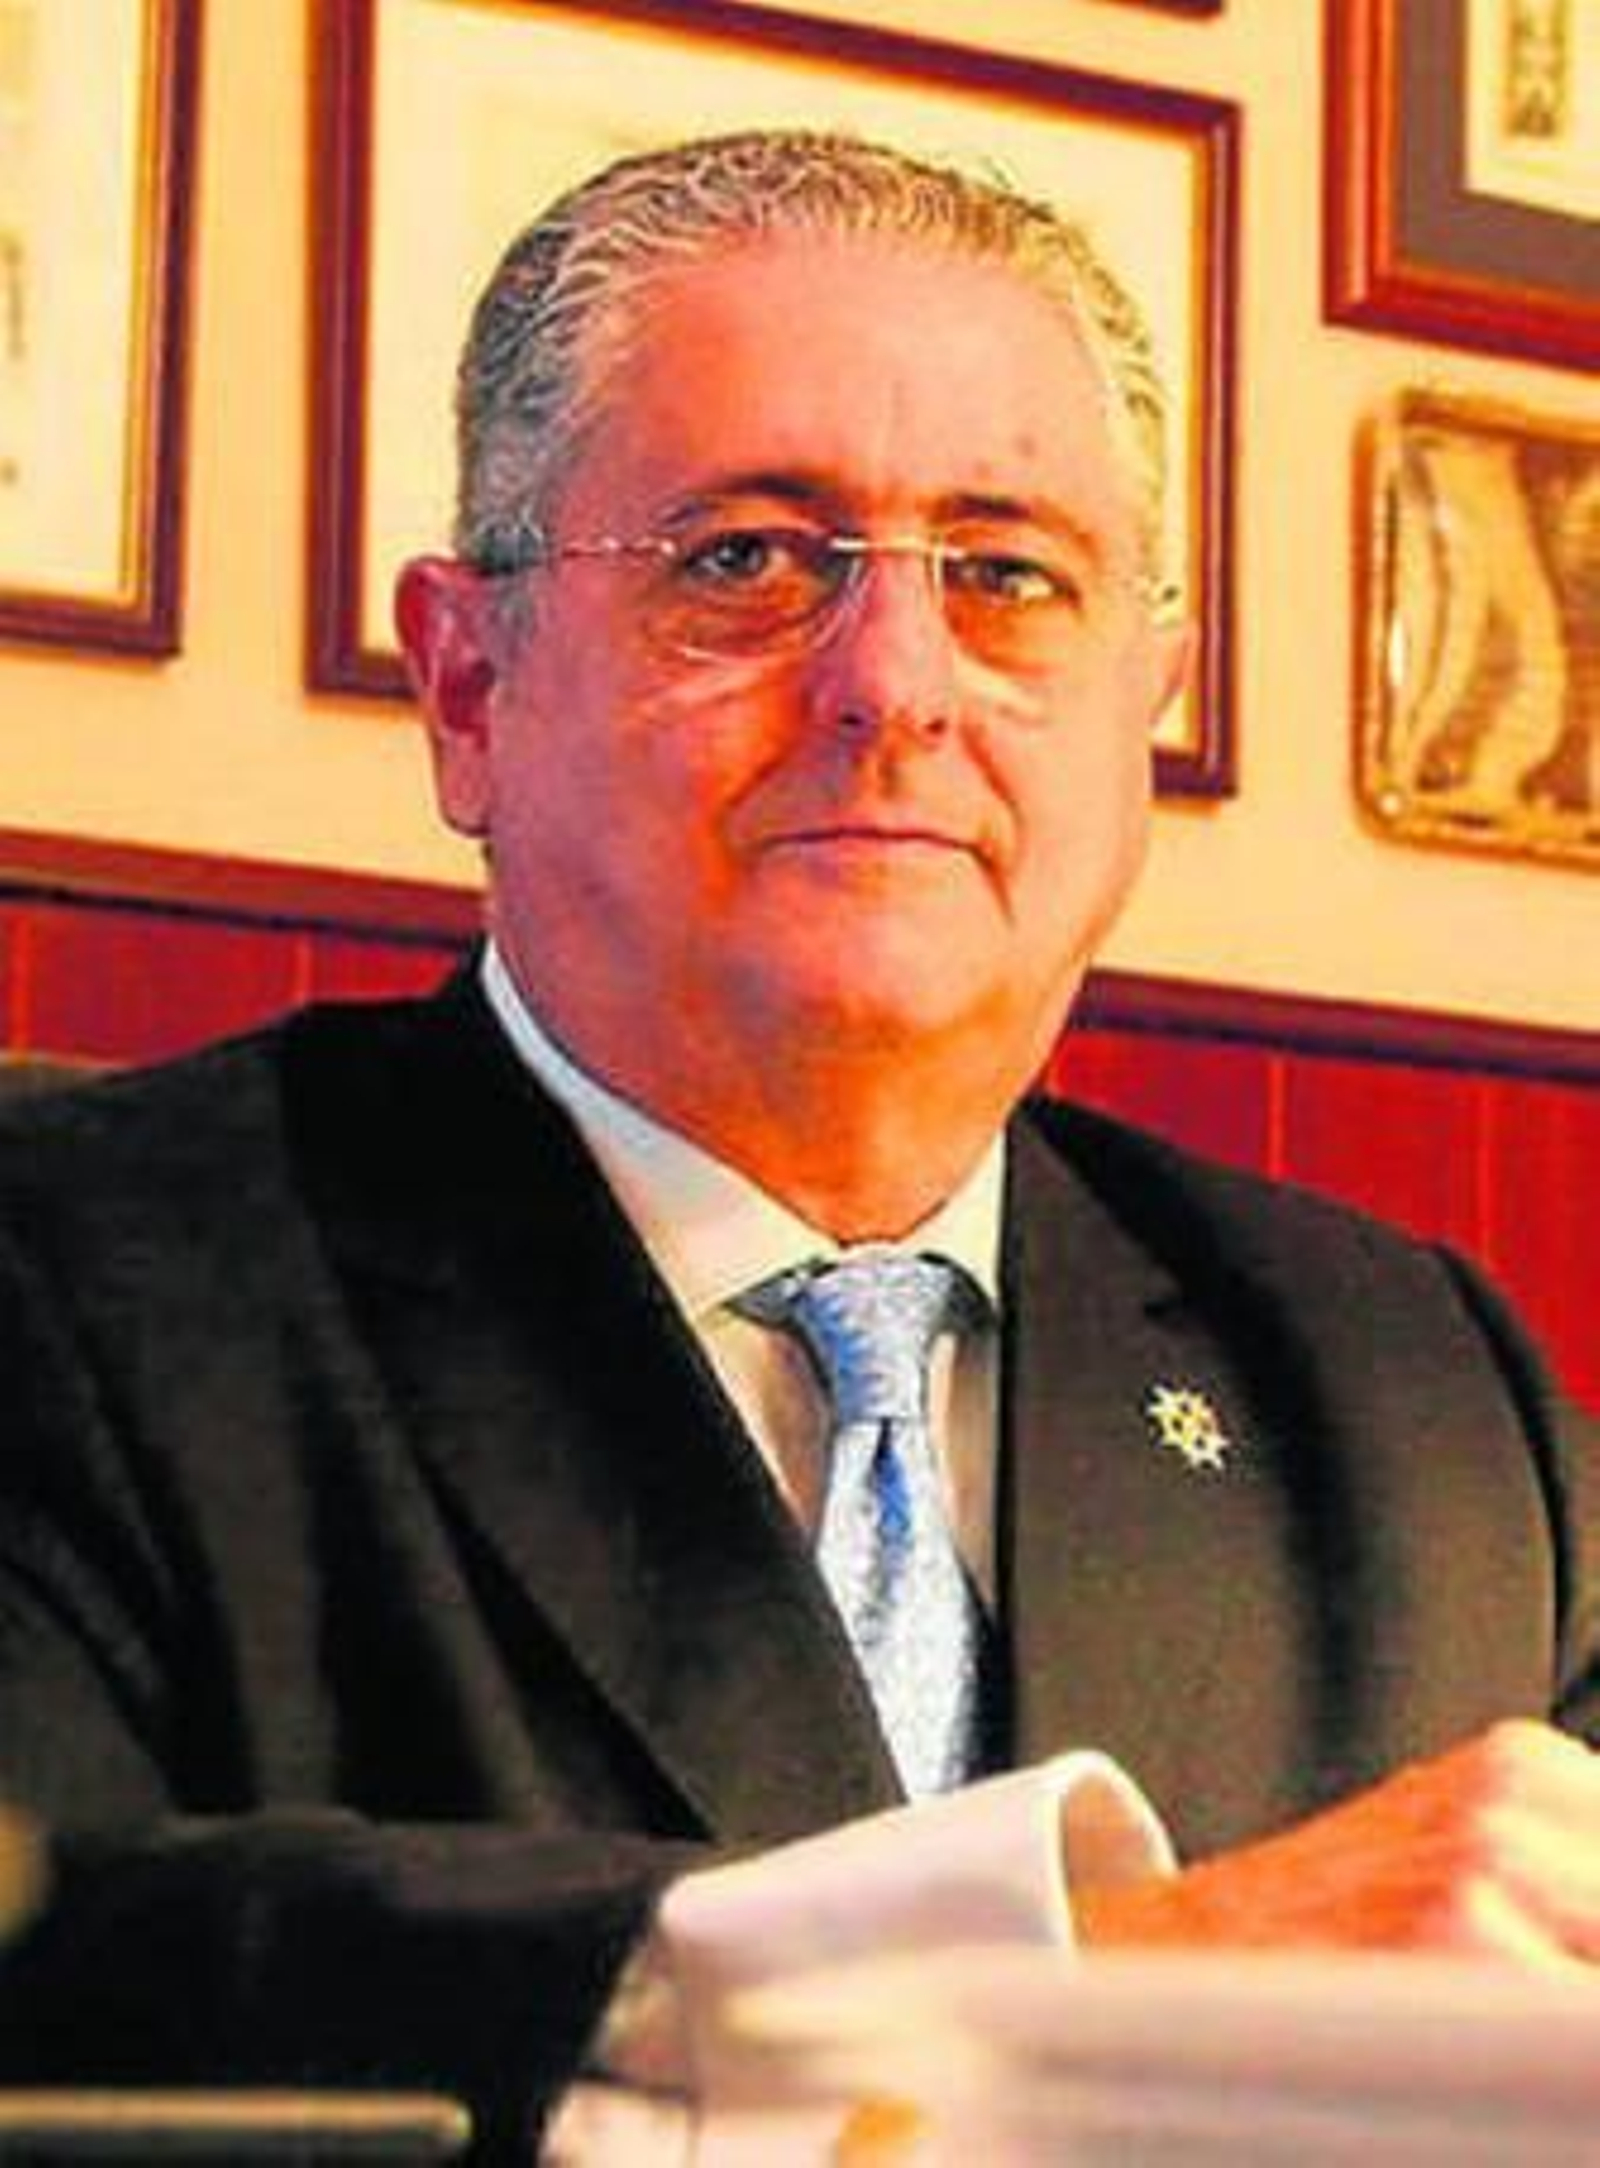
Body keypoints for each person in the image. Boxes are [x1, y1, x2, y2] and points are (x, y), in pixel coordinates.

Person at [0, 129, 1595, 2162]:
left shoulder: (1425, 1395)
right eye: (747, 560)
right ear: (471, 685)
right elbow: (59, 1943)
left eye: (1005, 576)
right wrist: (1077, 1978)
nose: (894, 687)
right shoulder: (71, 1283)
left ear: (1145, 705)